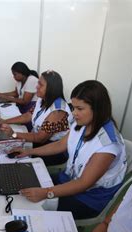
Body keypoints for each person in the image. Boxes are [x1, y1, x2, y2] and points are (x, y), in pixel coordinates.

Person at [13, 80, 126, 219]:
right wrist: (29, 152)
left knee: (34, 210)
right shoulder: (82, 124)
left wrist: (46, 193)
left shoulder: (108, 145)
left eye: (80, 109)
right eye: (74, 107)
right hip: (68, 179)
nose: (74, 113)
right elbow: (60, 145)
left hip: (88, 198)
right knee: (23, 183)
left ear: (97, 109)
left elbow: (83, 183)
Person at [0, 70, 72, 167]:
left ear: (51, 88)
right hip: (38, 145)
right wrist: (4, 121)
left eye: (40, 85)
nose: (36, 87)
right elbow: (28, 115)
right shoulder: (42, 99)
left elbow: (40, 138)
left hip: (51, 154)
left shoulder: (58, 111)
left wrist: (14, 134)